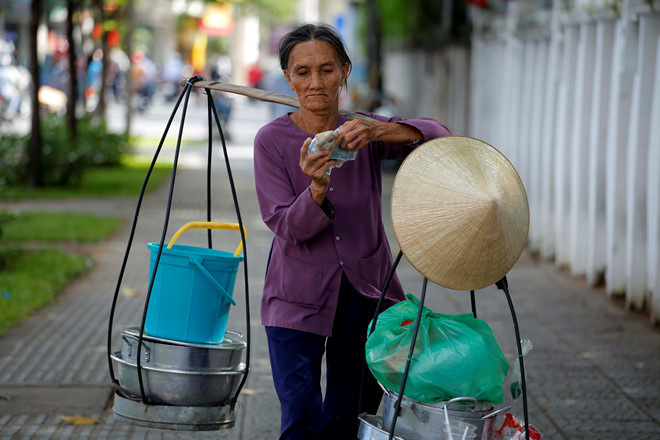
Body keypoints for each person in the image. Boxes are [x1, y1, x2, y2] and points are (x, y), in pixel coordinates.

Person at [253, 23, 451, 439]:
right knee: (301, 421)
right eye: (302, 72)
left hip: (365, 297)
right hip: (295, 299)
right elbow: (287, 227)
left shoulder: (363, 132)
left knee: (347, 420)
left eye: (326, 70)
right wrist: (317, 189)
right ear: (287, 77)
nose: (315, 82)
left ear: (344, 72)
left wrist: (382, 130)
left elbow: (440, 137)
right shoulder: (271, 141)